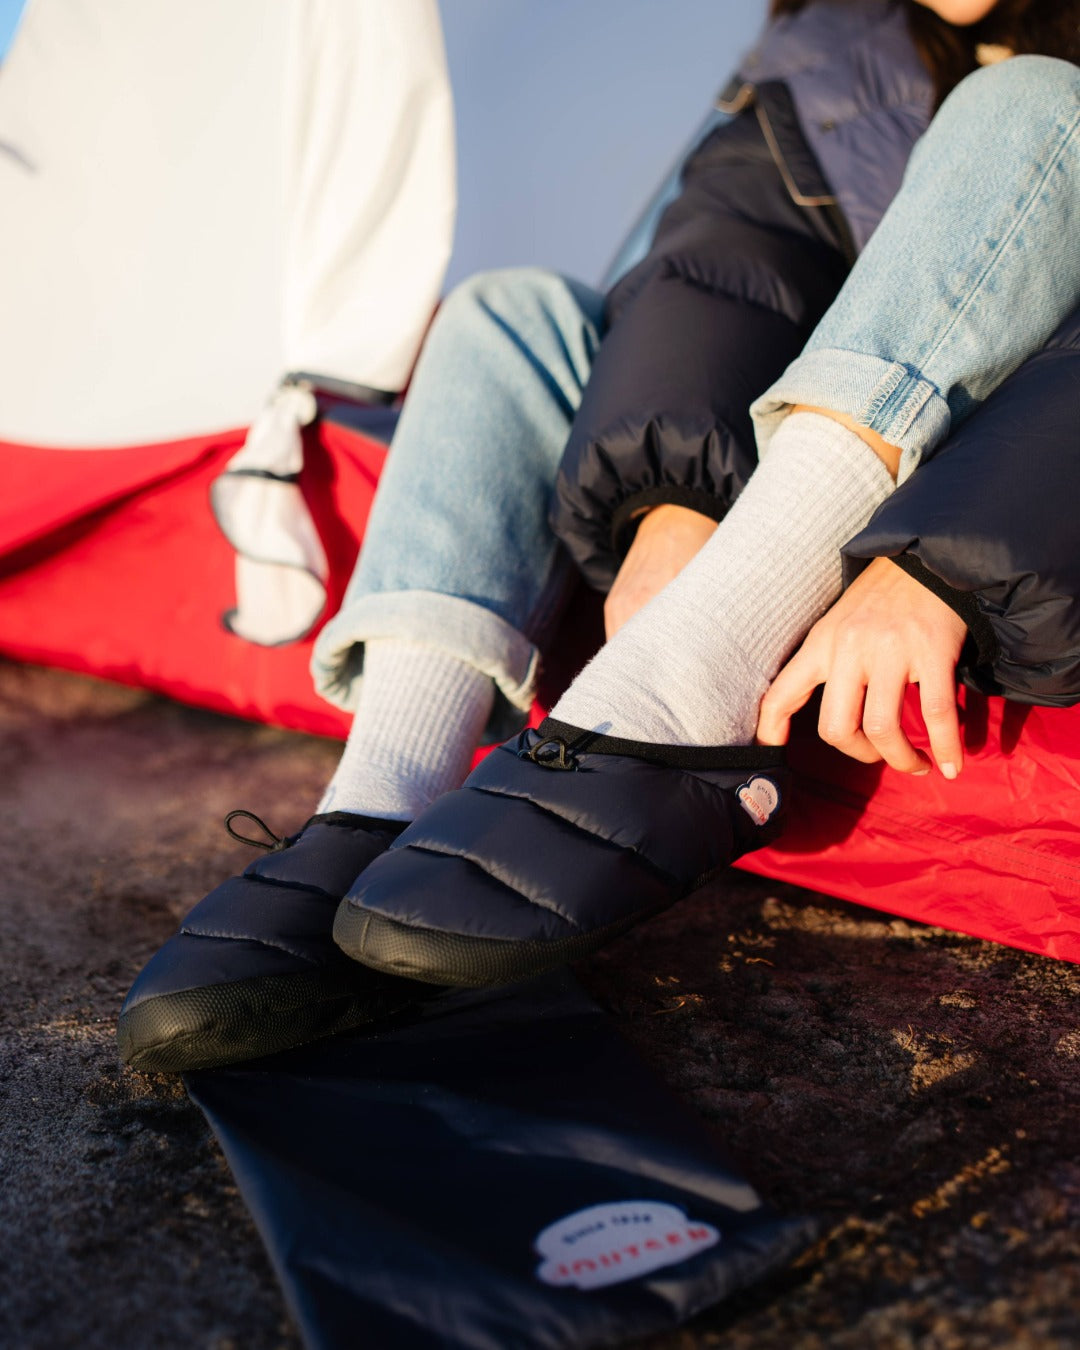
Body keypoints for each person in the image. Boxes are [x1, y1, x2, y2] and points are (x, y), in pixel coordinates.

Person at [117, 0, 1080, 1071]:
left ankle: (686, 699)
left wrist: (938, 562)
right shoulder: (839, 49)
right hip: (819, 439)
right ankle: (384, 801)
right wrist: (668, 500)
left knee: (1030, 105)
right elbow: (722, 269)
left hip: (990, 473)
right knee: (509, 312)